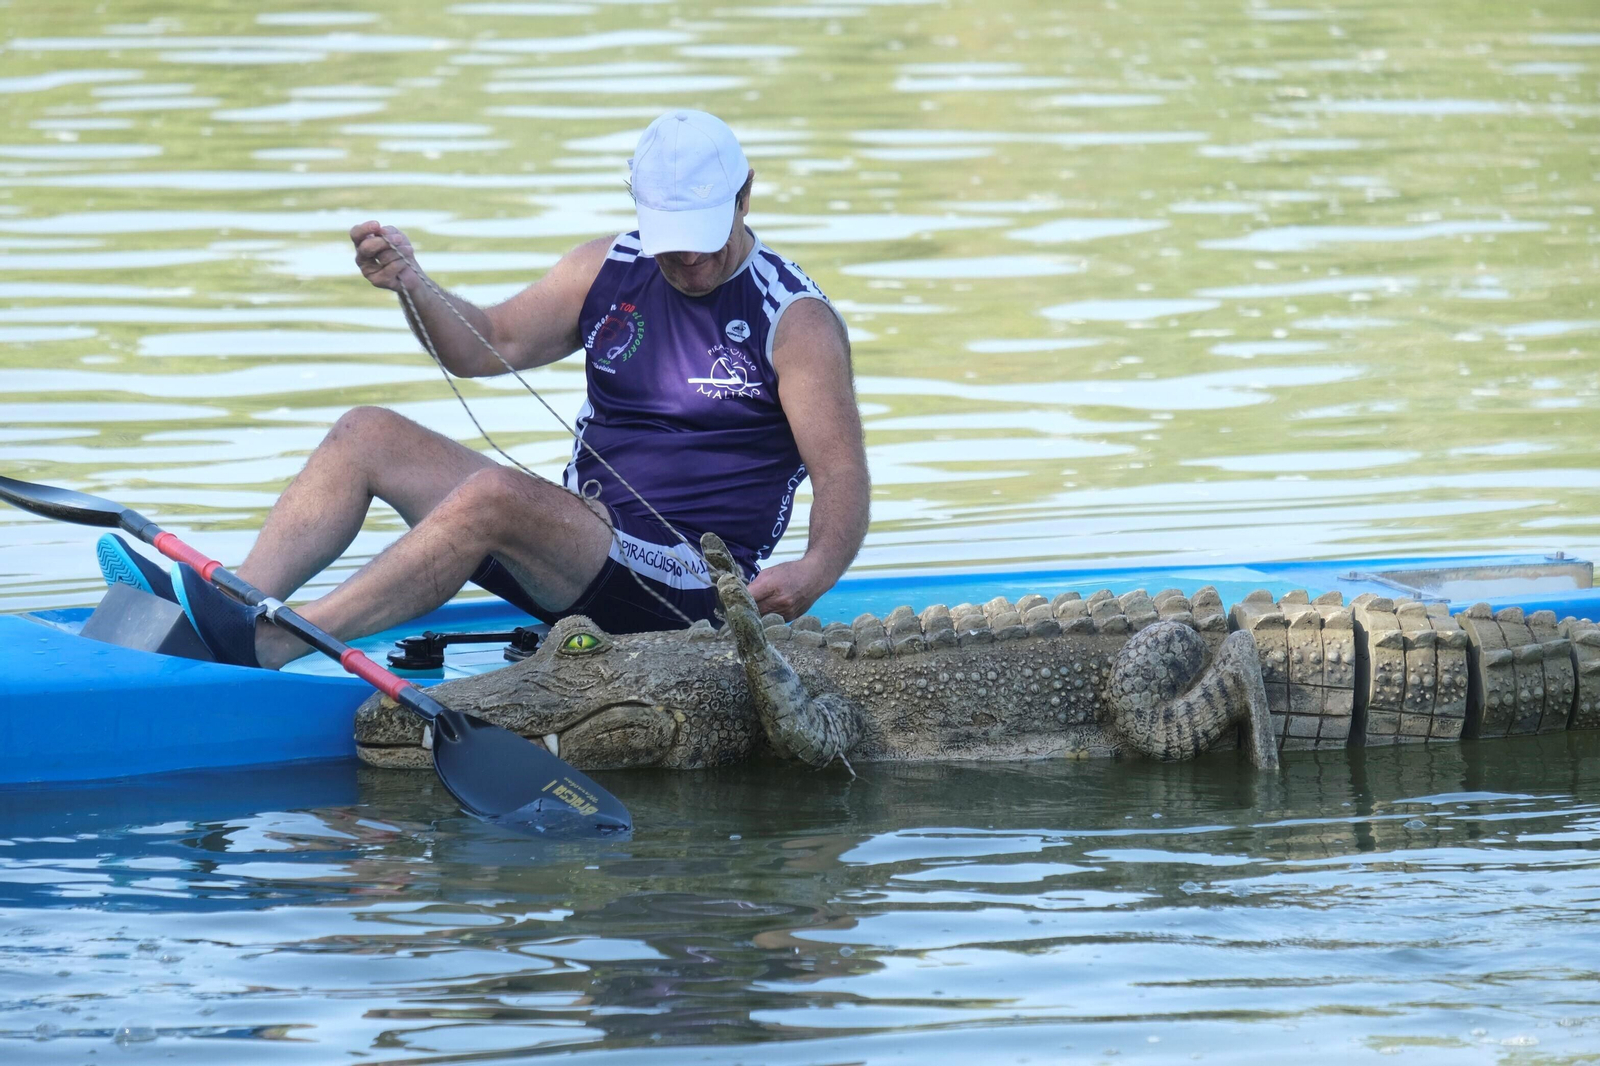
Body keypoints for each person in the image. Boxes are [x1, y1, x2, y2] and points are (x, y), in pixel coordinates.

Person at [97, 109, 869, 669]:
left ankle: (277, 642)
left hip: (693, 584)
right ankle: (231, 604)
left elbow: (841, 477)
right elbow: (487, 345)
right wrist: (413, 283)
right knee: (366, 432)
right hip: (587, 547)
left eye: (701, 239)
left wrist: (813, 571)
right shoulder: (607, 267)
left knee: (496, 494)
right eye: (672, 239)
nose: (688, 261)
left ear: (745, 196)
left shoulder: (793, 322)